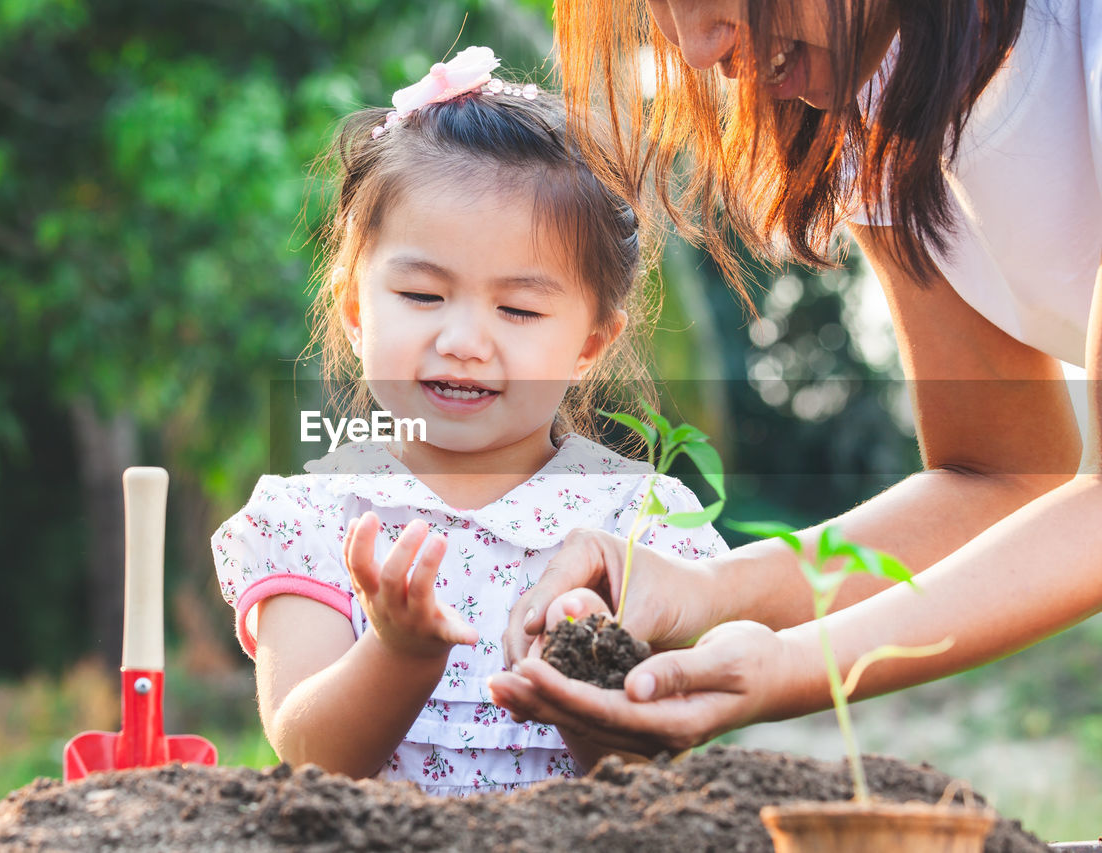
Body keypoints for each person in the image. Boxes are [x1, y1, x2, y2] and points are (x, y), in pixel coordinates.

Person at [489, 0, 1102, 756]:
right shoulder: (879, 95)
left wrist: (785, 666)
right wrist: (704, 590)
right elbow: (1000, 474)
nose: (697, 48)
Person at [210, 46, 726, 795]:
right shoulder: (313, 517)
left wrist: (584, 661)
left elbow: (648, 776)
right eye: (423, 296)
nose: (463, 341)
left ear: (588, 344)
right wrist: (400, 651)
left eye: (518, 309)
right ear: (357, 311)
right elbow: (309, 752)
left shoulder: (637, 523)